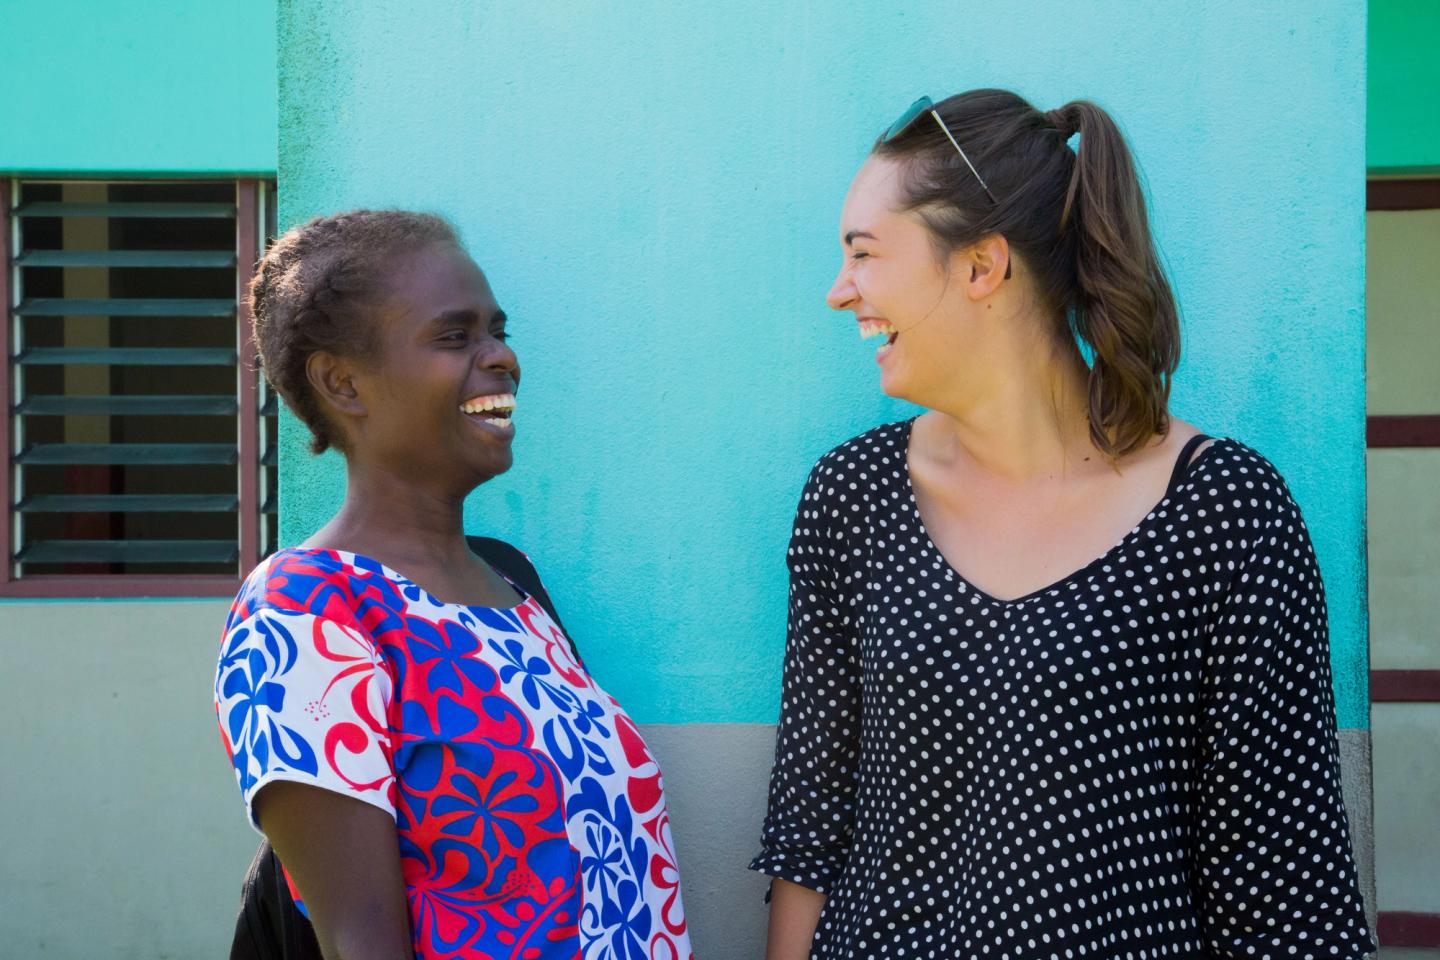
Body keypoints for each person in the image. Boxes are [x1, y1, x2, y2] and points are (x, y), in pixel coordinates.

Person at [750, 90, 1375, 959]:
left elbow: (1286, 900)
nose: (838, 291)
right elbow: (809, 835)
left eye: (863, 253)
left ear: (982, 266)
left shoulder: (1225, 515)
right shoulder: (851, 498)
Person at [214, 211, 693, 960]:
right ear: (342, 382)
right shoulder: (305, 613)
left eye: (497, 331)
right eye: (455, 336)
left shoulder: (511, 580)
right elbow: (360, 939)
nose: (502, 356)